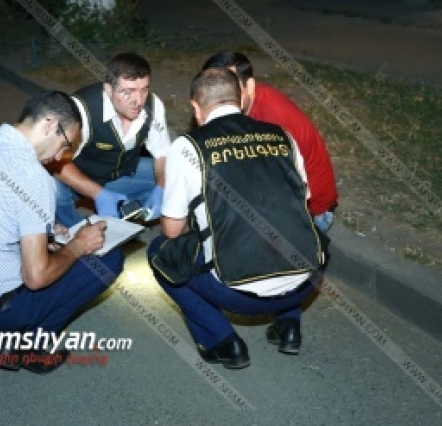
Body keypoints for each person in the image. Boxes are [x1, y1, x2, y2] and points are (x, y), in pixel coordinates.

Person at [0, 91, 124, 374]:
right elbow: (36, 278)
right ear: (49, 124)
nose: (59, 157)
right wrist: (79, 244)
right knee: (109, 259)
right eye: (64, 145)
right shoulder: (32, 175)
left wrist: (46, 233)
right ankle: (26, 346)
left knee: (56, 250)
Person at [148, 68, 326, 369]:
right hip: (306, 281)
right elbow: (300, 203)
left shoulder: (188, 147)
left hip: (239, 294)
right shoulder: (282, 136)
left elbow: (173, 230)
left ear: (196, 107)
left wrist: (201, 221)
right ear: (241, 100)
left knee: (160, 253)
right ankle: (289, 325)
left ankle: (222, 341)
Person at [202, 51, 338, 233]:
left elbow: (281, 191)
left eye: (231, 87)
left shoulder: (272, 120)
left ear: (250, 86)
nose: (223, 99)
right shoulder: (243, 108)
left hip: (310, 213)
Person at [54, 52, 171, 226]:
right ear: (108, 89)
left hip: (123, 170)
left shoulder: (153, 106)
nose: (139, 100)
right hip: (82, 175)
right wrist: (98, 193)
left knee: (177, 174)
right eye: (128, 92)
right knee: (53, 189)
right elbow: (55, 162)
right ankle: (73, 232)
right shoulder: (81, 110)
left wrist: (161, 188)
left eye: (144, 89)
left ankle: (131, 210)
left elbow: (162, 154)